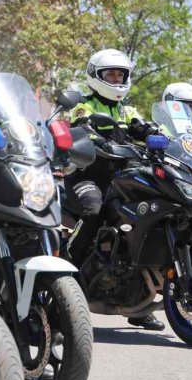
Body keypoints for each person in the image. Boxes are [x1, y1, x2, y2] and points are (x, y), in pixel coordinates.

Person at [66, 49, 163, 331]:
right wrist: (94, 136)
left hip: (125, 178)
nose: (117, 79)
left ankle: (141, 302)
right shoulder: (83, 106)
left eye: (121, 74)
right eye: (111, 74)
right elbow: (82, 128)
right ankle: (68, 274)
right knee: (93, 210)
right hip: (90, 178)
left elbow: (143, 127)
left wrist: (159, 134)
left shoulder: (127, 110)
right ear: (96, 76)